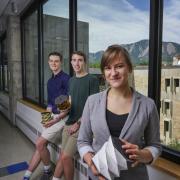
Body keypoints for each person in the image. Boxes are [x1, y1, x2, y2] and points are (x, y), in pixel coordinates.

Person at [77, 45, 161, 180]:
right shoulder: (92, 102)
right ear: (103, 72)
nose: (113, 72)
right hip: (98, 176)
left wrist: (143, 155)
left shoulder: (148, 105)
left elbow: (155, 145)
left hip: (133, 176)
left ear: (129, 68)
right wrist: (91, 162)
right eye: (108, 68)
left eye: (119, 66)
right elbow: (83, 141)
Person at [51, 51, 99, 180]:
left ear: (84, 62)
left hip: (82, 125)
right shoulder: (71, 81)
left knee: (66, 157)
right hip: (68, 123)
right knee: (62, 155)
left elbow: (93, 107)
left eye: (80, 60)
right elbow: (70, 104)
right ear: (71, 62)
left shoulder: (92, 80)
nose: (77, 63)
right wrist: (57, 118)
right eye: (74, 60)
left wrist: (78, 123)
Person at [23, 52, 70, 180]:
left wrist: (54, 120)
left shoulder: (66, 79)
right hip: (53, 118)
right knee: (40, 146)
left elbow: (67, 105)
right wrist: (46, 119)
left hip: (63, 118)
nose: (53, 63)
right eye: (51, 61)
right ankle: (27, 176)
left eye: (56, 61)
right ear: (48, 62)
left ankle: (47, 170)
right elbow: (50, 103)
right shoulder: (49, 81)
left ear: (61, 62)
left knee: (39, 143)